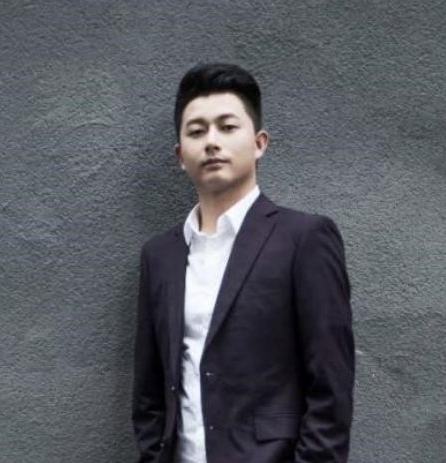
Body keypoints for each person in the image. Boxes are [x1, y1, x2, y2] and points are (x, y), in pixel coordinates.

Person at [132, 63, 354, 463]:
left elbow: (330, 386)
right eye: (196, 131)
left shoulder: (303, 238)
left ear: (259, 143)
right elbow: (149, 390)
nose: (211, 142)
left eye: (227, 127)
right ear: (180, 155)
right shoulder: (160, 256)